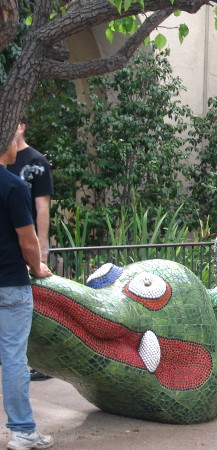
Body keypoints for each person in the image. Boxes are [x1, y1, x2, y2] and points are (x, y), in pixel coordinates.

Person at [0, 128, 54, 449]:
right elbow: (28, 241)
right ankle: (22, 431)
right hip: (10, 284)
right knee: (13, 358)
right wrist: (37, 267)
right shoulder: (13, 186)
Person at [7, 116, 54, 382]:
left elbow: (42, 207)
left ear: (22, 127)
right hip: (8, 246)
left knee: (41, 307)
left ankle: (44, 362)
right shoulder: (5, 160)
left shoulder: (36, 162)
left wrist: (41, 250)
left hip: (29, 245)